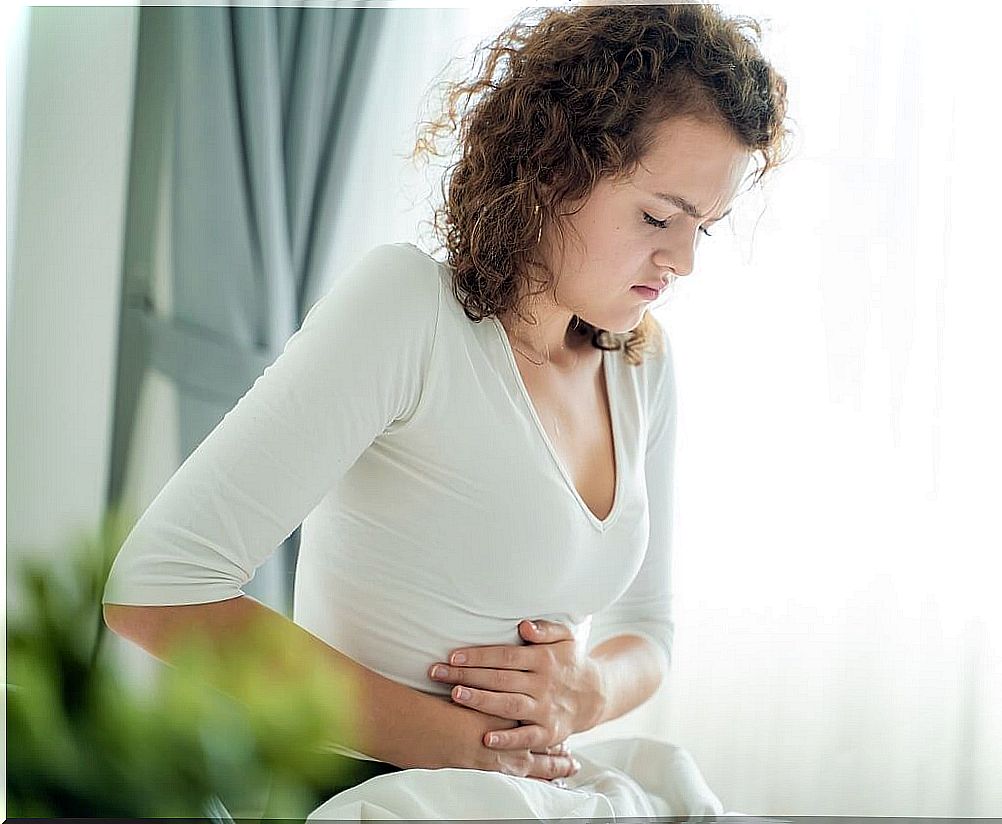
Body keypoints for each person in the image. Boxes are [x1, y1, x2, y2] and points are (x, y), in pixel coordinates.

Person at [102, 2, 788, 815]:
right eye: (657, 217)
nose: (681, 261)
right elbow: (157, 588)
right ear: (554, 165)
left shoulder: (642, 364)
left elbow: (651, 629)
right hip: (386, 796)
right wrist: (457, 743)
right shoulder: (409, 312)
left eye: (704, 227)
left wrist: (586, 693)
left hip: (537, 793)